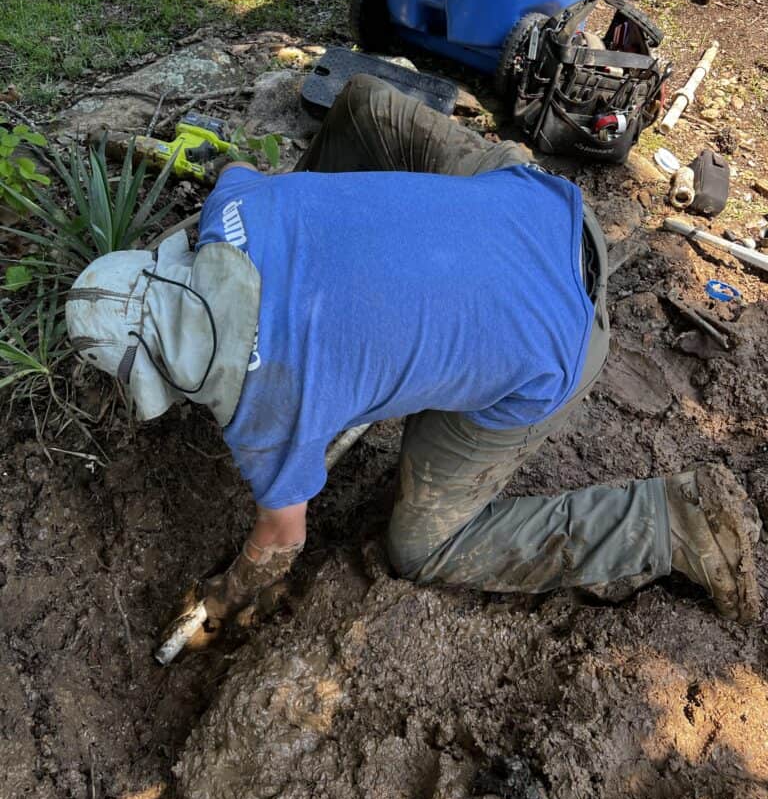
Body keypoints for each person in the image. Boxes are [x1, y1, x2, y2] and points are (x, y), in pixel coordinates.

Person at [66, 75, 761, 641]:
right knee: (365, 106)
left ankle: (671, 523)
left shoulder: (263, 412)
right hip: (536, 203)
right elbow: (244, 169)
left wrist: (228, 595)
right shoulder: (234, 207)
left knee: (421, 549)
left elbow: (281, 542)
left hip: (564, 340)